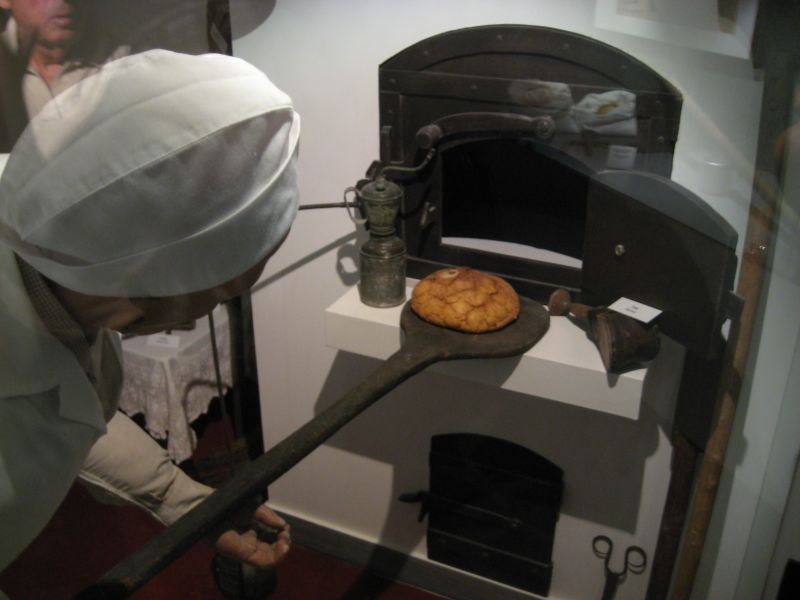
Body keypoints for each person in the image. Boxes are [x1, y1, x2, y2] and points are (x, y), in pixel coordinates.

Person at [0, 48, 298, 578]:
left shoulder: (58, 239)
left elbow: (72, 407)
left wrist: (187, 503)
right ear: (157, 291)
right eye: (223, 292)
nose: (199, 319)